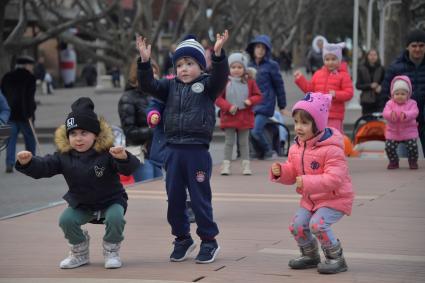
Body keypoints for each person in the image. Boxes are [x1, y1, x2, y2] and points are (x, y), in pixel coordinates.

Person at [136, 30, 229, 264]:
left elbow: (220, 77)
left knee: (199, 199)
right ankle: (182, 238)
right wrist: (145, 62)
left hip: (197, 152)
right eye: (179, 65)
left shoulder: (208, 85)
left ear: (200, 65)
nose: (184, 69)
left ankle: (209, 240)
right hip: (173, 151)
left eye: (189, 63)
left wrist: (217, 54)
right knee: (174, 199)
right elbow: (148, 85)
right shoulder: (169, 87)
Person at [15, 97, 140, 269]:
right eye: (73, 133)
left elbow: (129, 169)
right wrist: (28, 163)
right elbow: (45, 166)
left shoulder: (106, 153)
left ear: (95, 135)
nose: (78, 139)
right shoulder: (64, 156)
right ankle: (79, 252)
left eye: (84, 133)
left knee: (115, 217)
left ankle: (111, 251)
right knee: (66, 220)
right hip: (82, 204)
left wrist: (123, 158)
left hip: (111, 201)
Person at [270, 92, 354, 274]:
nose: (299, 127)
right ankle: (310, 255)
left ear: (318, 125)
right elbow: (292, 172)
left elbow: (335, 178)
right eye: (296, 122)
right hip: (311, 199)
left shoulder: (332, 149)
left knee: (317, 224)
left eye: (305, 123)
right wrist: (281, 172)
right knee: (297, 226)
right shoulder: (296, 147)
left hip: (335, 198)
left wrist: (305, 181)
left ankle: (336, 258)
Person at [380, 29, 425, 157]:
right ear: (407, 47)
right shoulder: (396, 67)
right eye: (414, 46)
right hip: (401, 122)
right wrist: (388, 113)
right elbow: (385, 91)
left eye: (421, 45)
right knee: (403, 160)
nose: (417, 49)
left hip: (424, 119)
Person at [215, 52, 262, 175]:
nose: (236, 70)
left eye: (239, 67)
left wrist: (250, 101)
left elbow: (258, 96)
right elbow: (218, 99)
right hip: (229, 117)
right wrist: (228, 106)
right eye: (233, 67)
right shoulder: (225, 82)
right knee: (228, 142)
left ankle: (246, 165)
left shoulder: (250, 82)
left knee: (244, 143)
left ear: (244, 68)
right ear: (229, 68)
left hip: (244, 118)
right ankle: (226, 165)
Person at [118, 59, 162, 182]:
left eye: (154, 73)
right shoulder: (128, 98)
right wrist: (154, 130)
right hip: (141, 154)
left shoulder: (156, 95)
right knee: (148, 191)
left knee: (160, 191)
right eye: (149, 73)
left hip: (157, 153)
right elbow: (129, 131)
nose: (153, 76)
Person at [294, 42, 354, 133]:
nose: (330, 62)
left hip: (335, 116)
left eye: (333, 59)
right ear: (324, 60)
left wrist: (336, 94)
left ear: (339, 60)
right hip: (318, 114)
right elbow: (310, 90)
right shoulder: (318, 74)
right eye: (327, 59)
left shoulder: (344, 75)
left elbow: (349, 93)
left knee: (334, 138)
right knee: (319, 139)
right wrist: (300, 79)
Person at [245, 34, 287, 159]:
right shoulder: (248, 66)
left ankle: (269, 151)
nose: (260, 50)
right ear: (253, 48)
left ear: (267, 50)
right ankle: (256, 153)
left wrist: (282, 105)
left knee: (255, 131)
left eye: (263, 48)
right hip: (251, 104)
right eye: (258, 47)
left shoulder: (272, 65)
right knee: (247, 130)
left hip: (265, 104)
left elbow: (279, 86)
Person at [1, 55, 37, 173]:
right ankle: (31, 162)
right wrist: (31, 112)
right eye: (31, 65)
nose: (32, 68)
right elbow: (29, 98)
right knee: (30, 139)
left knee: (9, 141)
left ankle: (9, 163)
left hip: (9, 115)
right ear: (26, 65)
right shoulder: (30, 78)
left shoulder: (7, 77)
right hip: (25, 115)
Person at [382, 76, 419, 169]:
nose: (399, 96)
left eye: (403, 94)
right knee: (389, 147)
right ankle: (394, 161)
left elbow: (415, 112)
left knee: (413, 146)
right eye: (397, 93)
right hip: (393, 132)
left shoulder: (412, 103)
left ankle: (413, 161)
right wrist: (390, 114)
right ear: (393, 94)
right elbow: (385, 113)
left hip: (408, 131)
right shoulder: (389, 103)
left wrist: (406, 115)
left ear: (408, 94)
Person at [356, 49, 385, 116]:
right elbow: (358, 85)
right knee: (367, 122)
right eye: (370, 55)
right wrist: (370, 86)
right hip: (366, 101)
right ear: (367, 56)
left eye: (374, 55)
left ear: (377, 56)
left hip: (378, 100)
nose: (373, 57)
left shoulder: (381, 68)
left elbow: (385, 82)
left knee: (377, 122)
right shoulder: (361, 69)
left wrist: (381, 87)